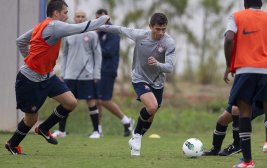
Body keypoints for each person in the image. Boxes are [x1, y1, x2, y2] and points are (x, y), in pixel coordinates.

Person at [5, 0, 109, 155]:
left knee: (71, 102)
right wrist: (102, 19)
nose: (67, 16)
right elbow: (80, 28)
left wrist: (32, 59)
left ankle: (44, 128)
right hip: (29, 80)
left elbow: (21, 41)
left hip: (47, 76)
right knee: (31, 119)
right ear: (56, 13)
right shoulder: (55, 26)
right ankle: (12, 144)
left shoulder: (42, 25)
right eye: (65, 13)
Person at [98, 12, 175, 156]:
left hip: (157, 82)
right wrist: (98, 25)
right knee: (151, 107)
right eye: (157, 29)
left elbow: (170, 67)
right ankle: (137, 137)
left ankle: (135, 137)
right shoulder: (140, 35)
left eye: (163, 29)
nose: (161, 32)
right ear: (150, 26)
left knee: (151, 114)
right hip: (139, 78)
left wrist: (158, 64)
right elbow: (119, 29)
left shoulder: (169, 42)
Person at [224, 0, 267, 167]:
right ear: (261, 2)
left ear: (244, 2)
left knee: (244, 113)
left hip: (244, 71)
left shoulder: (236, 16)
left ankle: (247, 161)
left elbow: (228, 39)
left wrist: (228, 64)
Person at [51, 10, 102, 139]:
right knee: (66, 102)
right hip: (70, 75)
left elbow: (98, 55)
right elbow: (65, 55)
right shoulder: (68, 34)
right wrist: (63, 72)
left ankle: (96, 131)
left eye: (82, 17)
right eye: (78, 16)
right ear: (74, 19)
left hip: (87, 75)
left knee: (91, 101)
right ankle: (61, 131)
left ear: (86, 19)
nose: (80, 19)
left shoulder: (92, 35)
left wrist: (96, 74)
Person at [95, 9, 134, 137]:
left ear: (107, 19)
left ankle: (127, 121)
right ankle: (98, 129)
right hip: (97, 71)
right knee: (96, 99)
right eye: (97, 20)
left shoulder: (113, 32)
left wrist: (93, 45)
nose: (98, 22)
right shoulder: (98, 33)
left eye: (101, 20)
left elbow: (108, 52)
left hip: (108, 70)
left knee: (104, 100)